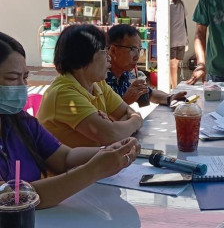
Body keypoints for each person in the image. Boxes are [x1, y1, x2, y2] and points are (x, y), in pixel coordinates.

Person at [0, 31, 141, 209]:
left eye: (25, 77)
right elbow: (11, 198)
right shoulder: (64, 92)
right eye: (12, 78)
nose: (23, 87)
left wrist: (110, 153)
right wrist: (94, 170)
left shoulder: (20, 121)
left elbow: (64, 157)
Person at [37, 25, 143, 148]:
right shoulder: (64, 94)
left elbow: (124, 114)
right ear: (85, 56)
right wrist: (135, 120)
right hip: (69, 167)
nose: (109, 57)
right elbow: (111, 135)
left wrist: (113, 126)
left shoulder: (98, 84)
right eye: (104, 51)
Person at [106, 24, 187, 106]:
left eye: (139, 50)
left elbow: (150, 93)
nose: (137, 57)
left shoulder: (126, 74)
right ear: (113, 50)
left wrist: (170, 98)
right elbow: (99, 117)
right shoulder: (100, 80)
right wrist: (125, 101)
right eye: (132, 49)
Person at [169, 0, 188, 88]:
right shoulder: (182, 4)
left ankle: (174, 87)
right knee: (175, 65)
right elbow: (184, 21)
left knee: (172, 65)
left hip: (172, 39)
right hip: (182, 39)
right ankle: (173, 86)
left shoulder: (168, 6)